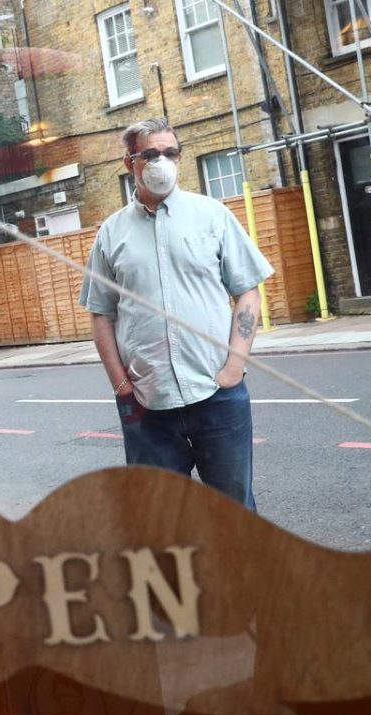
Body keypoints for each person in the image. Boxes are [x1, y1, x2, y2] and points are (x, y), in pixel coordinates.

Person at [79, 117, 274, 509]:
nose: (161, 162)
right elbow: (102, 314)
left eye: (170, 153)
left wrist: (233, 368)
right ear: (129, 162)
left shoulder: (212, 215)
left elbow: (248, 292)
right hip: (147, 404)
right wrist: (121, 385)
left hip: (217, 396)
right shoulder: (111, 234)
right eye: (150, 154)